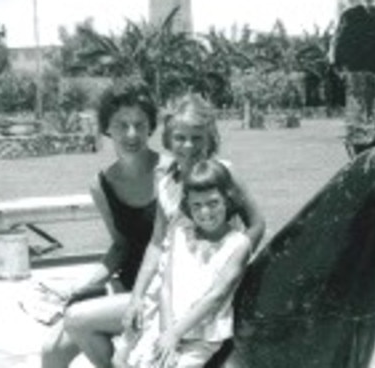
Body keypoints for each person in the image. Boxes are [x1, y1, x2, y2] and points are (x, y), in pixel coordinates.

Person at [115, 92, 265, 367]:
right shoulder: (166, 183)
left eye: (197, 138)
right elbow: (157, 243)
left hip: (208, 289)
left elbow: (256, 224)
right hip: (169, 284)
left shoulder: (223, 175)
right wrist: (137, 295)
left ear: (210, 138)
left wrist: (233, 261)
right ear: (168, 139)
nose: (188, 145)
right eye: (180, 137)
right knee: (124, 355)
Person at [41, 81, 169, 368]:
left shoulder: (170, 172)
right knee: (52, 350)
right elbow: (121, 246)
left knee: (78, 321)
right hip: (126, 285)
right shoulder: (102, 184)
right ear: (107, 128)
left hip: (162, 291)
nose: (131, 134)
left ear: (151, 126)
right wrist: (82, 286)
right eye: (122, 125)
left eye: (139, 124)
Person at [115, 159, 252, 367]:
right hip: (166, 326)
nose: (205, 212)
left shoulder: (237, 244)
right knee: (124, 361)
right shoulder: (180, 234)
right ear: (187, 205)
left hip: (201, 337)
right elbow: (167, 288)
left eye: (213, 203)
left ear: (227, 198)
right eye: (197, 205)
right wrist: (167, 334)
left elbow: (216, 296)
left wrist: (175, 335)